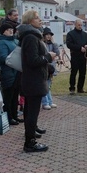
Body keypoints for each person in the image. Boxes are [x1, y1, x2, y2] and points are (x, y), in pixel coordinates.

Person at [18, 10, 56, 152]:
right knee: (32, 111)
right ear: (30, 21)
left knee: (30, 110)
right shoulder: (31, 37)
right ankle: (30, 142)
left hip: (33, 79)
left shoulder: (32, 36)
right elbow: (33, 60)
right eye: (37, 18)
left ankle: (31, 133)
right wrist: (48, 57)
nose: (40, 20)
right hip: (33, 80)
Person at [0, 22, 24, 125]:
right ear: (3, 32)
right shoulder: (1, 42)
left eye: (11, 29)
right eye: (8, 30)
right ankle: (8, 116)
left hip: (17, 72)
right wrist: (15, 58)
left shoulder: (15, 41)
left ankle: (15, 115)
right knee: (8, 97)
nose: (11, 31)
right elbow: (2, 58)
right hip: (8, 73)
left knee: (15, 95)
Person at [66, 19, 87, 94]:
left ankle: (80, 88)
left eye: (81, 25)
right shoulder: (70, 34)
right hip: (75, 56)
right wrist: (79, 48)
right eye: (78, 25)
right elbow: (69, 44)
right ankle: (72, 88)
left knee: (83, 73)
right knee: (74, 73)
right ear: (75, 25)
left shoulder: (85, 34)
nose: (80, 26)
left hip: (84, 56)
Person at [41, 27, 60, 110]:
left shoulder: (53, 44)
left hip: (51, 67)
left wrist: (54, 43)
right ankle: (45, 102)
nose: (48, 37)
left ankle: (49, 101)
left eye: (49, 35)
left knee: (48, 85)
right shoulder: (42, 44)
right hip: (45, 66)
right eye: (47, 35)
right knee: (45, 85)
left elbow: (57, 53)